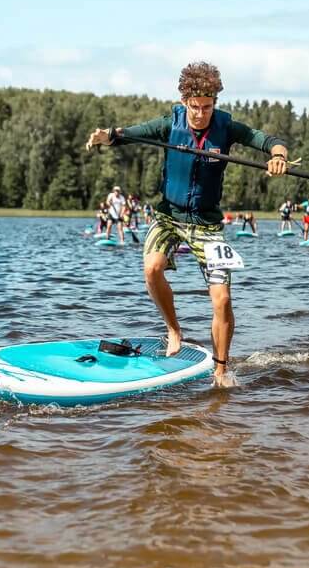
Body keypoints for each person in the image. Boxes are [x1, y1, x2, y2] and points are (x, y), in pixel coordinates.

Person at [85, 61, 288, 386]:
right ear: (185, 103)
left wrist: (278, 157)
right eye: (195, 107)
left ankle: (221, 370)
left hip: (207, 225)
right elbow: (130, 134)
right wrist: (106, 137)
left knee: (221, 299)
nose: (200, 114)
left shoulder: (226, 127)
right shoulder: (170, 123)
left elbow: (269, 141)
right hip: (168, 217)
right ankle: (173, 330)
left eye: (207, 107)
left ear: (214, 104)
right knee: (152, 268)